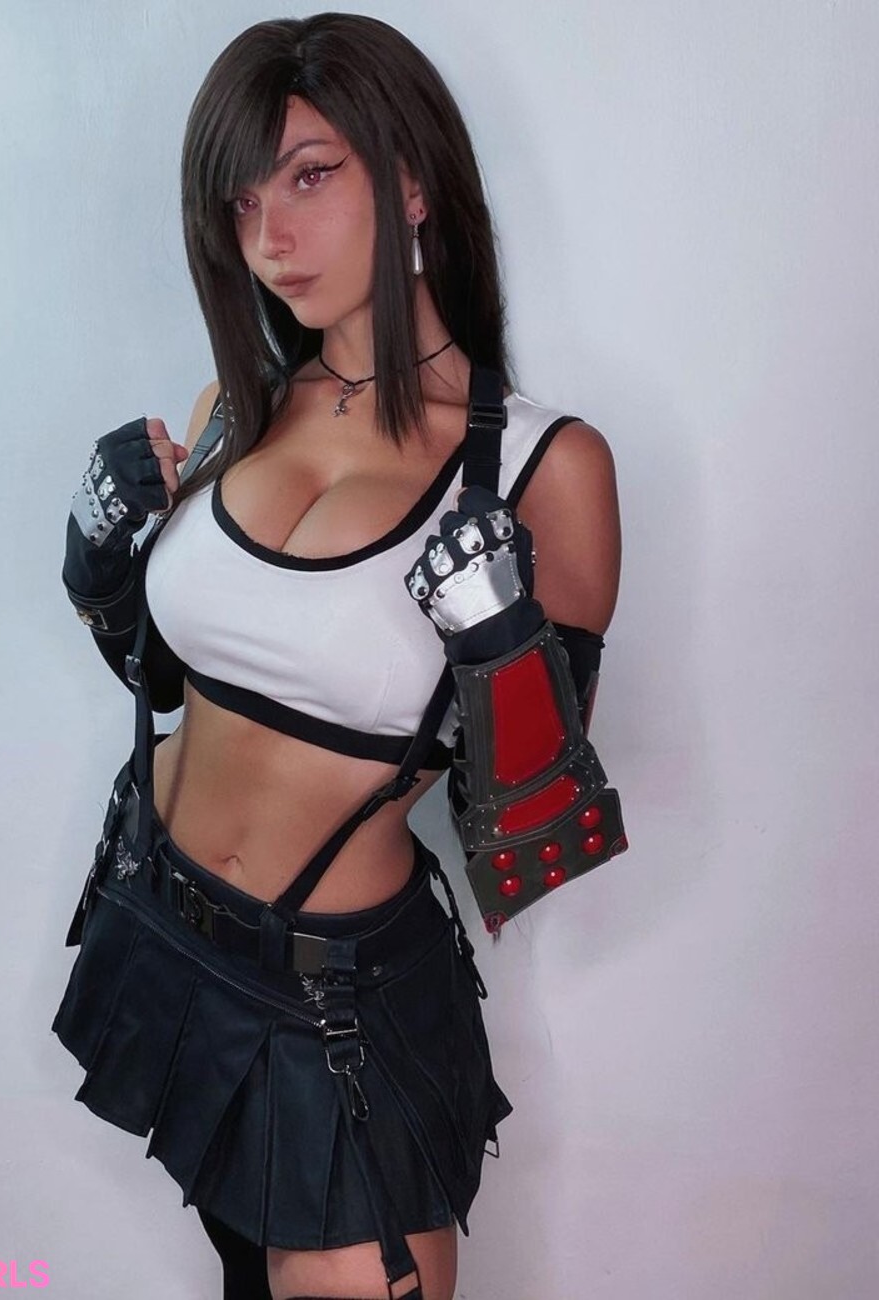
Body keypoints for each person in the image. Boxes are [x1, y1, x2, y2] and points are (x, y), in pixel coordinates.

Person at [53, 14, 621, 1300]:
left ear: (412, 181)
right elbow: (171, 683)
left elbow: (528, 831)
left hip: (333, 1011)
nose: (271, 236)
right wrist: (100, 574)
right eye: (244, 200)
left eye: (311, 175)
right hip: (155, 928)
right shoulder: (234, 412)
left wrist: (501, 641)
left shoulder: (543, 469)